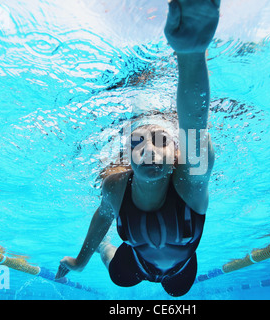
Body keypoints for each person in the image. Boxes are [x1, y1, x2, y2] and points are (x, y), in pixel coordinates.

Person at [55, 0, 219, 297]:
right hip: (134, 262)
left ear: (176, 155)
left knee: (177, 292)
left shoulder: (190, 183)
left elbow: (194, 126)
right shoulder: (115, 186)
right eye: (138, 143)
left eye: (161, 142)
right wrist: (81, 261)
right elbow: (104, 215)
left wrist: (192, 54)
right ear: (127, 156)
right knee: (117, 272)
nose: (149, 150)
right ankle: (108, 248)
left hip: (181, 272)